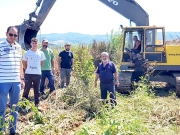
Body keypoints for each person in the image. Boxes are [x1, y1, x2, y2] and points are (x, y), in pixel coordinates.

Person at [0, 26, 25, 135]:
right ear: (6, 34)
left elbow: (20, 64)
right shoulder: (0, 46)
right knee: (2, 108)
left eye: (15, 35)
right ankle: (1, 130)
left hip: (16, 81)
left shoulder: (19, 47)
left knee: (14, 107)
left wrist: (22, 78)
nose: (13, 37)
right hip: (3, 81)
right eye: (11, 34)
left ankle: (12, 130)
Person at [22, 37, 46, 107]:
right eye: (33, 43)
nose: (34, 44)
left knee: (37, 89)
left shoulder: (40, 53)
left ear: (37, 44)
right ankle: (24, 104)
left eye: (36, 43)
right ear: (31, 44)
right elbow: (24, 63)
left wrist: (38, 69)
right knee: (27, 89)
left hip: (37, 74)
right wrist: (27, 69)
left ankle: (37, 103)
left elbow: (41, 63)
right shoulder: (27, 53)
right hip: (28, 74)